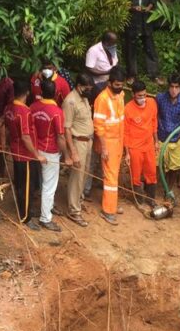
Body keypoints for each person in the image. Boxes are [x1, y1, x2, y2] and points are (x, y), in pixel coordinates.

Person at [28, 79, 67, 233]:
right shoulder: (57, 112)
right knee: (49, 186)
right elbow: (61, 137)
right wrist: (66, 155)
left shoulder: (33, 106)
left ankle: (44, 209)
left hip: (35, 150)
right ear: (56, 93)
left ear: (41, 92)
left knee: (39, 183)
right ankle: (45, 218)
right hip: (50, 152)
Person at [3, 77, 43, 224]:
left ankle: (24, 209)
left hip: (15, 151)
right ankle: (25, 217)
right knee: (27, 186)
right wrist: (37, 155)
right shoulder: (24, 111)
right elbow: (26, 137)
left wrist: (7, 145)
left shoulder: (9, 108)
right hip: (25, 155)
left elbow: (7, 129)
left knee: (20, 183)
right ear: (27, 93)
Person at [93, 67, 127, 225]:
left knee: (115, 175)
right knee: (110, 177)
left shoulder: (120, 95)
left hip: (118, 142)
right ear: (110, 82)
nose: (119, 87)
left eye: (121, 84)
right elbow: (98, 126)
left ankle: (112, 205)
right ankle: (108, 210)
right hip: (108, 143)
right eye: (117, 84)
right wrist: (104, 148)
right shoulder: (102, 99)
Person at [63, 73, 95, 226]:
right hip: (78, 143)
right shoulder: (70, 101)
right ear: (79, 86)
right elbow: (67, 129)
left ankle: (78, 202)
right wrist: (73, 152)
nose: (89, 91)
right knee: (77, 177)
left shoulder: (85, 98)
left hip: (88, 141)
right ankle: (73, 210)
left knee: (84, 175)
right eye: (87, 88)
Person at [156, 74, 180, 196]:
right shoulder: (160, 98)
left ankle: (169, 190)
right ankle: (154, 189)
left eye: (176, 87)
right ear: (168, 86)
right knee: (157, 165)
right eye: (171, 86)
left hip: (176, 140)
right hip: (161, 138)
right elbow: (154, 115)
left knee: (175, 167)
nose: (173, 90)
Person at [122, 0, 159, 80]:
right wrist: (132, 8)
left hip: (145, 21)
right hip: (131, 22)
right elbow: (119, 2)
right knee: (130, 48)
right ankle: (131, 75)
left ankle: (153, 74)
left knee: (149, 47)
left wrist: (149, 6)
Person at [124, 81, 158, 205]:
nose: (142, 98)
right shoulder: (128, 109)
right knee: (136, 175)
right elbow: (125, 133)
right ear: (133, 94)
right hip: (134, 148)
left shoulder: (152, 103)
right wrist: (127, 153)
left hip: (149, 145)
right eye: (139, 96)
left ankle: (151, 199)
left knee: (152, 172)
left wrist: (156, 141)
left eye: (144, 95)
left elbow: (154, 123)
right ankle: (139, 198)